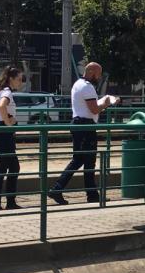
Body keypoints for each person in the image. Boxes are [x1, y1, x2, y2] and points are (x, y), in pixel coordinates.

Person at [49, 62, 118, 205]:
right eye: (98, 74)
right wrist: (107, 103)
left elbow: (88, 107)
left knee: (85, 161)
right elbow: (94, 109)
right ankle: (57, 188)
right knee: (81, 160)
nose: (99, 78)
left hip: (79, 124)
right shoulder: (87, 87)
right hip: (85, 126)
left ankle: (91, 194)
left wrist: (101, 103)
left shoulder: (78, 84)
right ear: (92, 72)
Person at [0, 65, 24, 211]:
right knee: (12, 167)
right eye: (19, 79)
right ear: (11, 79)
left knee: (3, 167)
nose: (20, 82)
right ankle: (8, 202)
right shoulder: (7, 92)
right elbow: (2, 106)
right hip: (4, 133)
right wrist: (8, 123)